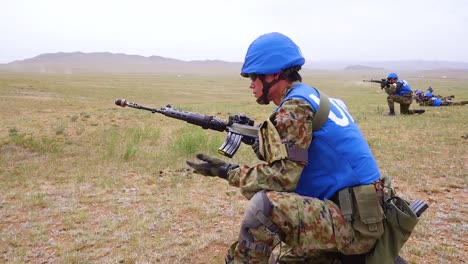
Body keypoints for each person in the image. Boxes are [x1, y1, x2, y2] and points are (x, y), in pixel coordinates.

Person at [186, 32, 407, 263]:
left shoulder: (295, 106)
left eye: (253, 76)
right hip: (362, 212)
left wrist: (227, 171)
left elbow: (282, 180)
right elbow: (297, 156)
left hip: (354, 222)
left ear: (273, 73)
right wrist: (258, 141)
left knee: (265, 207)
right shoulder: (313, 97)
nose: (251, 84)